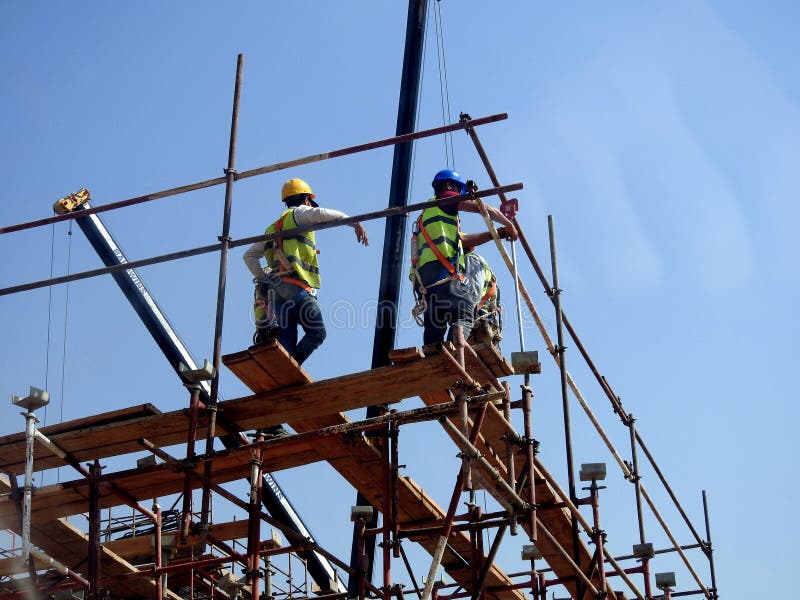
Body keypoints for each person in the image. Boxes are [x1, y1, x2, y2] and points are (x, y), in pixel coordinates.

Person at [244, 177, 369, 365]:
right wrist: (355, 223)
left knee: (285, 340)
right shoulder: (300, 214)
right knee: (317, 332)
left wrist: (264, 278)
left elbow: (249, 256)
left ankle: (283, 371)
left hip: (276, 292)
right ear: (306, 200)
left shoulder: (272, 228)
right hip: (297, 288)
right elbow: (322, 213)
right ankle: (292, 366)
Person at [410, 169, 516, 345]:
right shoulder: (446, 198)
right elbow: (482, 209)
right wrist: (509, 224)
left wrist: (496, 233)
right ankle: (455, 349)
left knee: (434, 325)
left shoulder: (430, 214)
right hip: (442, 275)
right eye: (459, 192)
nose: (459, 196)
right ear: (449, 185)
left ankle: (433, 355)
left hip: (424, 285)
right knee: (465, 312)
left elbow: (465, 241)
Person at [463, 249, 502, 348]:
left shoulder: (470, 260)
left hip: (478, 319)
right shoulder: (490, 276)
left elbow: (472, 293)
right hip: (486, 321)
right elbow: (493, 304)